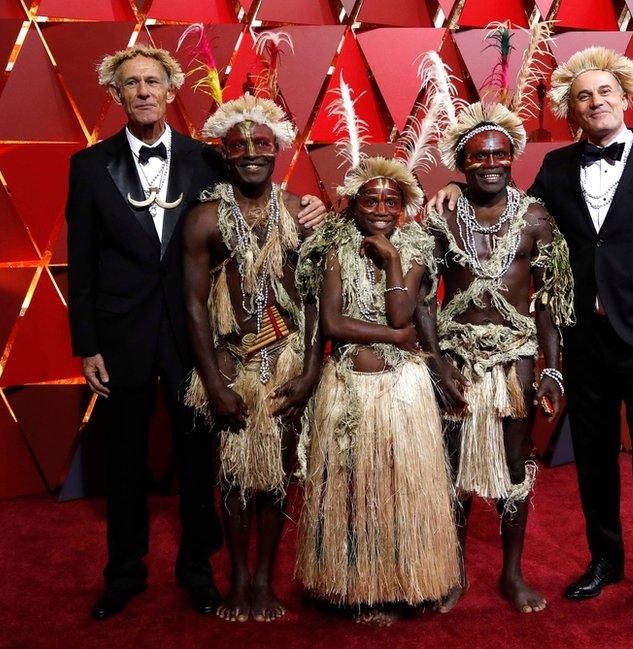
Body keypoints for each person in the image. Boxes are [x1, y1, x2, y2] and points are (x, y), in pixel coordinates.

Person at [433, 46, 633, 631]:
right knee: (595, 460)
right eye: (583, 96)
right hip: (584, 339)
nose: (596, 101)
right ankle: (605, 559)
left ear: (625, 95)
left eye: (604, 91)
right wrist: (454, 190)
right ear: (571, 109)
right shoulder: (556, 169)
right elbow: (507, 204)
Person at [65, 44, 325, 620]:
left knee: (200, 458)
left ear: (170, 90)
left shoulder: (206, 158)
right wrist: (87, 344)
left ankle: (199, 572)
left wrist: (310, 206)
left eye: (152, 81)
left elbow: (255, 194)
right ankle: (124, 575)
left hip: (194, 335)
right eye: (130, 83)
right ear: (116, 95)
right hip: (122, 334)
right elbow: (79, 263)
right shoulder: (88, 166)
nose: (142, 92)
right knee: (125, 457)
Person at [418, 101, 574, 615]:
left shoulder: (535, 217)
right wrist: (436, 361)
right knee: (454, 467)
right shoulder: (442, 218)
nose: (491, 164)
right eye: (480, 156)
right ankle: (456, 572)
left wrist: (551, 370)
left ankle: (512, 573)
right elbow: (421, 297)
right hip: (456, 357)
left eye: (501, 155)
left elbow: (549, 301)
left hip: (517, 359)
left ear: (512, 158)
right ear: (462, 163)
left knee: (514, 465)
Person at [294, 154, 460, 626]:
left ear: (405, 204)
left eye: (391, 200)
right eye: (371, 199)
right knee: (353, 488)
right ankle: (354, 585)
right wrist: (395, 339)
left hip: (402, 391)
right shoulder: (333, 247)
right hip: (349, 387)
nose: (381, 208)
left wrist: (390, 259)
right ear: (355, 204)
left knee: (400, 487)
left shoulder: (417, 246)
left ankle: (404, 582)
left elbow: (401, 314)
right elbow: (332, 323)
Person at [181, 94, 323, 623]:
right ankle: (237, 578)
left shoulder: (300, 213)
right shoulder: (204, 220)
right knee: (235, 478)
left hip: (286, 362)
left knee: (279, 476)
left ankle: (265, 578)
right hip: (232, 363)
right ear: (225, 151)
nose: (250, 154)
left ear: (278, 147)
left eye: (261, 143)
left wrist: (310, 369)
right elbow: (193, 304)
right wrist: (213, 382)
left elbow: (314, 300)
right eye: (238, 146)